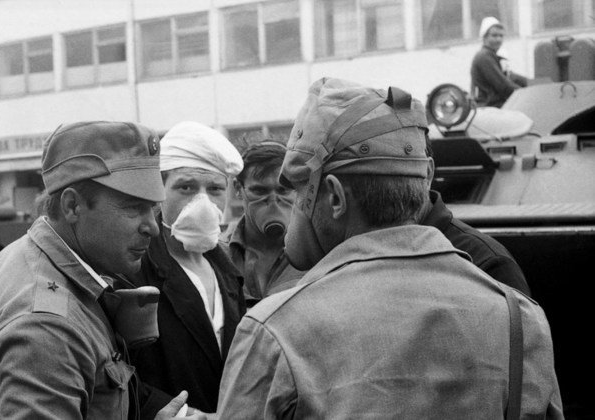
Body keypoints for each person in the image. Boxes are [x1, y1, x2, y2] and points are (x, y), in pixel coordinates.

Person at [217, 78, 563, 418]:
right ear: (424, 177)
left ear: (335, 197)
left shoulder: (274, 330)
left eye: (296, 189)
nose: (289, 208)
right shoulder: (521, 318)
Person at [0, 121, 202, 419]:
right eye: (133, 208)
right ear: (72, 206)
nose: (152, 227)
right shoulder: (48, 328)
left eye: (152, 209)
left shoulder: (27, 255)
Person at [120, 121, 246, 414]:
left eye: (215, 189)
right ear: (159, 191)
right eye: (186, 187)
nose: (203, 201)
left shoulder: (228, 270)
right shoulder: (133, 270)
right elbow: (118, 370)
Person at [221, 141, 305, 307]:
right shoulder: (219, 255)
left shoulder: (316, 254)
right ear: (238, 188)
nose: (273, 201)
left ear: (297, 188)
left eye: (283, 190)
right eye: (259, 191)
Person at [471, 16, 528, 108]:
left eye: (501, 36)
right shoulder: (484, 57)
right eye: (494, 36)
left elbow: (512, 77)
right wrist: (526, 95)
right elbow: (503, 85)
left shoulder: (493, 56)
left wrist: (534, 84)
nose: (498, 39)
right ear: (484, 37)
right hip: (489, 107)